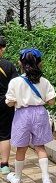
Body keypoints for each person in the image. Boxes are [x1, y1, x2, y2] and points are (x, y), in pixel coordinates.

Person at [5, 48, 56, 183]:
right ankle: (46, 178)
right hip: (39, 113)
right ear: (40, 63)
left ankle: (17, 177)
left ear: (20, 63)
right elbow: (51, 101)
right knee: (40, 146)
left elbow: (9, 102)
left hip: (22, 114)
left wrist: (20, 99)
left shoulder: (15, 82)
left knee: (21, 148)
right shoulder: (44, 81)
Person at [0, 35, 18, 175]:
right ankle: (4, 165)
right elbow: (15, 86)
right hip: (5, 103)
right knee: (4, 134)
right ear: (2, 49)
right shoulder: (8, 65)